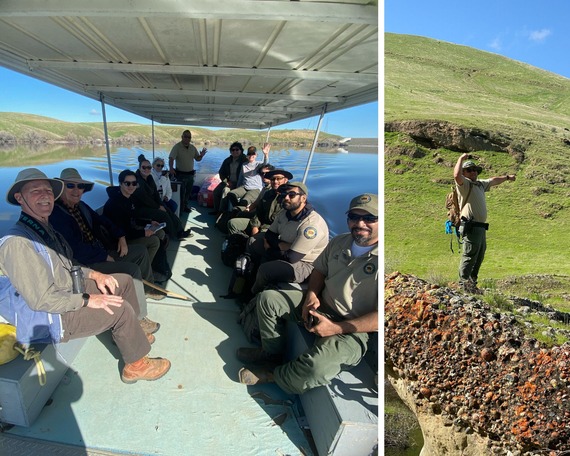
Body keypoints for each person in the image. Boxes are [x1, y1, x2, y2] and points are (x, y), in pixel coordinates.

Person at [0, 168, 171, 384]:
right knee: (120, 308)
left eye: (47, 190)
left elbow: (68, 265)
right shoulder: (19, 243)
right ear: (19, 198)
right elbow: (42, 301)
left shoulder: (44, 229)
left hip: (68, 292)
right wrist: (90, 299)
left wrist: (95, 275)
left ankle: (132, 333)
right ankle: (135, 366)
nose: (44, 195)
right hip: (52, 318)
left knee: (124, 282)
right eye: (35, 191)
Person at [236, 193, 379, 393]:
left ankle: (274, 375)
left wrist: (336, 328)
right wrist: (311, 294)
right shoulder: (339, 242)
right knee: (268, 299)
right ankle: (270, 354)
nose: (360, 223)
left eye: (370, 218)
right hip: (320, 304)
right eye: (354, 217)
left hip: (353, 327)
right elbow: (319, 270)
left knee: (317, 368)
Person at [49, 168, 163, 332]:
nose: (76, 190)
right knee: (132, 269)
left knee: (140, 251)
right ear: (60, 188)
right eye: (70, 186)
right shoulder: (57, 215)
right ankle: (138, 320)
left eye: (80, 186)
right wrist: (104, 255)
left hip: (102, 250)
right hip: (87, 264)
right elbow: (76, 249)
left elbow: (102, 220)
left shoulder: (80, 206)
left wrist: (121, 236)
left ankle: (146, 288)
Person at [247, 181, 329, 295]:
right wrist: (281, 245)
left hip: (306, 264)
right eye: (283, 194)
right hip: (285, 250)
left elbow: (292, 258)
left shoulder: (311, 225)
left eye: (292, 195)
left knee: (266, 270)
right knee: (253, 241)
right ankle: (251, 274)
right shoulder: (285, 213)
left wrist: (270, 249)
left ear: (303, 198)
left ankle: (252, 294)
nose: (286, 198)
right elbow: (270, 234)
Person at [454, 154, 516, 293]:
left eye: (475, 169)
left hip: (480, 227)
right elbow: (456, 175)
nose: (473, 172)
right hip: (471, 226)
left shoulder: (480, 184)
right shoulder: (464, 185)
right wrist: (461, 159)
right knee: (470, 255)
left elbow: (493, 180)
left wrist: (507, 178)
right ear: (464, 173)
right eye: (469, 170)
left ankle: (472, 284)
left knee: (479, 255)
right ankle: (463, 284)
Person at [103, 170, 172, 284]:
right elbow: (123, 232)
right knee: (154, 241)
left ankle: (152, 267)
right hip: (119, 242)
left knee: (160, 233)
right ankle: (143, 274)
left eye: (134, 183)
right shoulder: (115, 204)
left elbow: (132, 219)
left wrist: (150, 223)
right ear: (120, 183)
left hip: (129, 232)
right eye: (127, 183)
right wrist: (144, 233)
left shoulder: (129, 198)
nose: (131, 186)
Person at [132, 156, 191, 241]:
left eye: (148, 167)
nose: (146, 169)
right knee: (163, 214)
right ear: (139, 167)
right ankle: (175, 234)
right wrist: (158, 207)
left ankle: (180, 230)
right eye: (144, 167)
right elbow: (145, 199)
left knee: (168, 210)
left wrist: (161, 204)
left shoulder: (149, 177)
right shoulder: (138, 181)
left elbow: (155, 193)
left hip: (151, 204)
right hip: (141, 208)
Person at [227, 168, 292, 236]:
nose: (275, 181)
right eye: (273, 179)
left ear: (285, 180)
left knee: (256, 239)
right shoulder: (268, 193)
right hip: (261, 223)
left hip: (274, 229)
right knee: (233, 223)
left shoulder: (289, 197)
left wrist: (262, 229)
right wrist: (255, 226)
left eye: (279, 178)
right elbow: (259, 211)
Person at [168, 130, 207, 213]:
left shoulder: (193, 148)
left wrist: (201, 155)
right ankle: (180, 208)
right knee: (181, 193)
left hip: (190, 175)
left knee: (188, 193)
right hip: (180, 175)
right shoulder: (177, 147)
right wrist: (171, 168)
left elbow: (198, 159)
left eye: (189, 137)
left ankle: (185, 206)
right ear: (182, 137)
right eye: (185, 136)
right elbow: (171, 158)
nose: (187, 138)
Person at [224, 144, 270, 210]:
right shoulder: (244, 165)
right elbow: (241, 177)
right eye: (249, 154)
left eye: (253, 154)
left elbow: (266, 164)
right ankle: (237, 208)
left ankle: (239, 211)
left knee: (244, 201)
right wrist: (237, 187)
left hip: (255, 189)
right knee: (231, 194)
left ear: (256, 155)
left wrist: (266, 154)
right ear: (247, 155)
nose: (251, 156)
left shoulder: (259, 164)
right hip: (244, 187)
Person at [210, 142, 248, 215]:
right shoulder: (227, 160)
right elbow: (221, 172)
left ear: (241, 150)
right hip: (229, 181)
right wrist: (226, 181)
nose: (235, 151)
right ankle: (216, 210)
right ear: (230, 151)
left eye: (237, 149)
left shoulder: (245, 160)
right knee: (216, 192)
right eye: (233, 150)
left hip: (240, 184)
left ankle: (221, 213)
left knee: (225, 191)